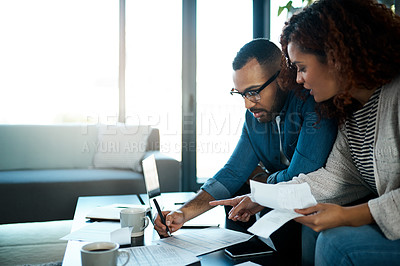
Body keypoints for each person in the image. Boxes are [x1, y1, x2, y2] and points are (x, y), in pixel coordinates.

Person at [210, 0, 400, 265]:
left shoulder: (396, 97)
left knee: (336, 242)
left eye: (302, 67)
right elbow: (333, 179)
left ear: (336, 58)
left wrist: (347, 216)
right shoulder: (351, 114)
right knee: (314, 232)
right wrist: (261, 198)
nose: (297, 79)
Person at [154, 38, 337, 246]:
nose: (248, 104)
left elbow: (299, 175)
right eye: (241, 94)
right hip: (274, 211)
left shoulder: (312, 103)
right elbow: (233, 172)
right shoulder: (255, 117)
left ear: (283, 77)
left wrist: (261, 182)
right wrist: (183, 212)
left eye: (254, 92)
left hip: (312, 208)